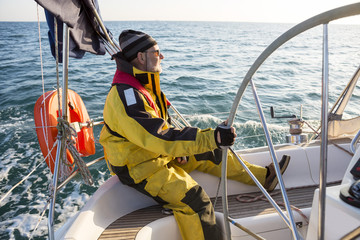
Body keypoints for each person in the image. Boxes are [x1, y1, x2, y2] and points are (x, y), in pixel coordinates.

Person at [99, 29, 290, 240]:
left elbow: (161, 131)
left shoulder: (142, 85)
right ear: (141, 57)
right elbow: (159, 136)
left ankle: (265, 179)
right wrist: (213, 138)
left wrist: (189, 149)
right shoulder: (127, 97)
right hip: (140, 168)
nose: (161, 56)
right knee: (196, 201)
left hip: (156, 155)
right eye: (156, 52)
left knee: (212, 154)